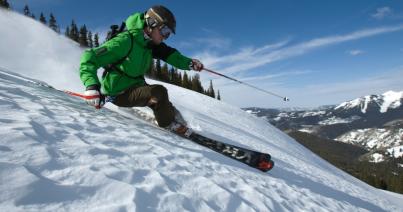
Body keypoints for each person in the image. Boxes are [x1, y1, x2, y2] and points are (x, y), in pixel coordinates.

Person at [79, 5, 204, 133]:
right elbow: (89, 57)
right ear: (151, 23)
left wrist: (190, 63)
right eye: (164, 31)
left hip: (136, 86)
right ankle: (170, 125)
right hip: (118, 92)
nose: (165, 37)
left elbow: (171, 55)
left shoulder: (150, 44)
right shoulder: (126, 41)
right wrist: (92, 86)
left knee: (168, 106)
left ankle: (179, 123)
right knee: (159, 92)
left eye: (168, 34)